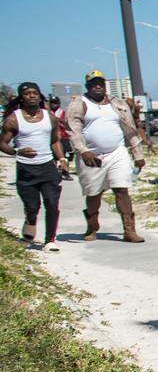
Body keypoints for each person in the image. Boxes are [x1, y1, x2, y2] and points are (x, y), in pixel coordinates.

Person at [65, 70, 145, 243]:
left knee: (121, 189)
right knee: (94, 193)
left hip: (117, 152)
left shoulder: (117, 104)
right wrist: (83, 151)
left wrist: (138, 154)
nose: (98, 86)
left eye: (100, 83)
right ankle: (92, 225)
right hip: (91, 156)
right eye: (94, 83)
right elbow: (73, 130)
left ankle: (129, 230)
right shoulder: (79, 103)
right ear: (88, 86)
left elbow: (130, 129)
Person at [1, 82, 66, 251]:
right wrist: (17, 151)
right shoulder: (14, 119)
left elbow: (55, 140)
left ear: (40, 96)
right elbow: (2, 144)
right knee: (32, 206)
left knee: (52, 203)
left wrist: (62, 159)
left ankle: (50, 240)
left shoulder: (49, 117)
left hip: (47, 167)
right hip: (26, 169)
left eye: (35, 93)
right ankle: (30, 221)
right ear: (21, 97)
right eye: (28, 93)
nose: (32, 96)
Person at [48, 96, 74, 179]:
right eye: (52, 103)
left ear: (59, 104)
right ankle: (54, 172)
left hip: (63, 137)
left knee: (66, 156)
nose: (53, 105)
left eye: (55, 103)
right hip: (52, 137)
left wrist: (58, 120)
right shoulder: (47, 113)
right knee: (53, 156)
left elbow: (68, 124)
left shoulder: (63, 113)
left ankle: (65, 172)